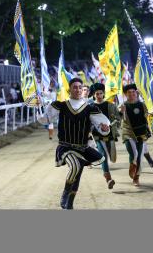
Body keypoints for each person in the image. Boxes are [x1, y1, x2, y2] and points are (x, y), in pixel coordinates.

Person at [37, 78, 110, 210]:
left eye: (80, 87)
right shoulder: (61, 106)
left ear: (83, 90)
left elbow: (102, 125)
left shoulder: (90, 108)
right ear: (69, 89)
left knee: (77, 174)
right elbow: (45, 119)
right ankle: (65, 193)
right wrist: (38, 107)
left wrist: (105, 128)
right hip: (65, 147)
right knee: (75, 166)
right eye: (75, 87)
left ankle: (69, 204)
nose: (77, 90)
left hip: (83, 148)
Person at [90, 83, 121, 189]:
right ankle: (108, 179)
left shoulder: (111, 105)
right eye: (96, 94)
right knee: (102, 156)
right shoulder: (90, 107)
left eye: (100, 93)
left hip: (110, 135)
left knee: (113, 158)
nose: (98, 95)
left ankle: (107, 175)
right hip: (97, 136)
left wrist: (109, 126)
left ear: (103, 94)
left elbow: (118, 119)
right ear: (94, 95)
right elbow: (87, 122)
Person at [119, 84, 151, 187]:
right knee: (134, 154)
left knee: (139, 157)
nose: (132, 94)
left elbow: (147, 117)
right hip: (128, 134)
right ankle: (132, 165)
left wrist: (151, 114)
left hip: (141, 134)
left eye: (133, 92)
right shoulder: (122, 105)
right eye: (129, 92)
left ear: (136, 93)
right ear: (125, 94)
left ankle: (136, 177)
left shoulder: (142, 105)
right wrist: (121, 112)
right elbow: (119, 117)